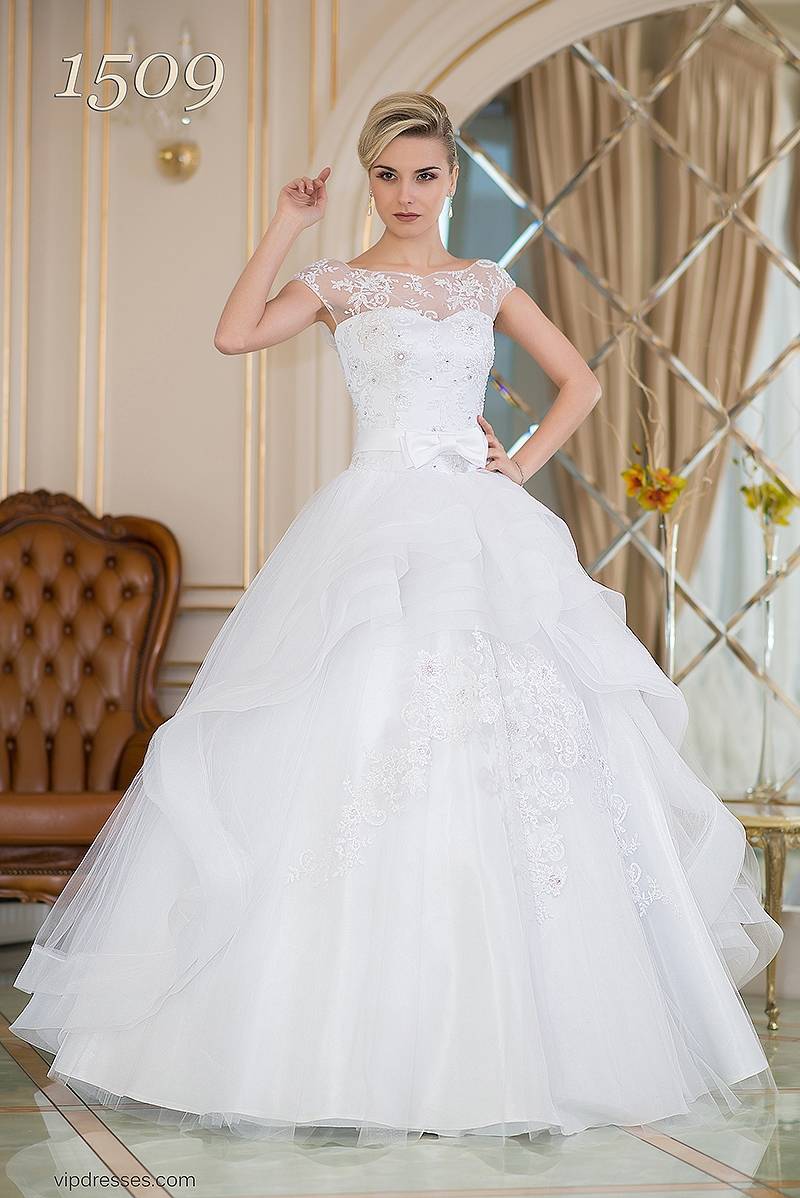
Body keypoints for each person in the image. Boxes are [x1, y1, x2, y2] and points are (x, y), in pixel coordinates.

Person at [9, 90, 783, 1150]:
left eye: (423, 174)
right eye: (387, 175)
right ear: (368, 181)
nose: (406, 193)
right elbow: (234, 334)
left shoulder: (484, 282)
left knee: (517, 751)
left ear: (451, 179)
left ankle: (535, 1044)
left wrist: (520, 464)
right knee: (352, 730)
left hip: (477, 529)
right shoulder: (337, 281)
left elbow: (581, 383)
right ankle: (319, 1046)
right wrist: (287, 221)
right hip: (370, 530)